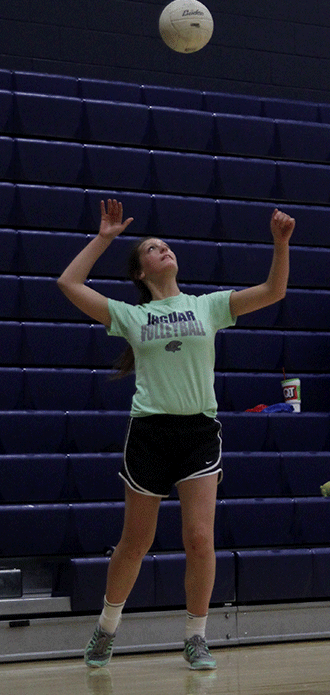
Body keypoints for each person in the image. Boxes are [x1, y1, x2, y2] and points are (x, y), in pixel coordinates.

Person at [57, 198, 295, 669]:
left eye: (165, 245)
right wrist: (104, 239)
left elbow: (273, 291)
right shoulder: (130, 315)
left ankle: (196, 636)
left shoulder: (207, 306)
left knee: (199, 538)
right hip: (149, 433)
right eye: (152, 248)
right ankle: (106, 630)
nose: (162, 249)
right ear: (141, 272)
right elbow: (68, 283)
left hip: (199, 433)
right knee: (135, 543)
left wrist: (280, 244)